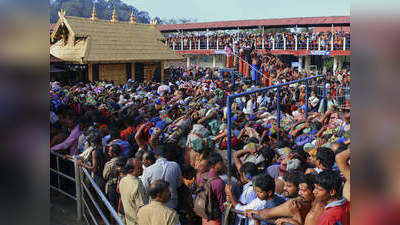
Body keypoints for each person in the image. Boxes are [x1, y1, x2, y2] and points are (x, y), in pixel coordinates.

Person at [141, 145, 183, 210]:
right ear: (167, 154)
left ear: (155, 156)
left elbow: (145, 188)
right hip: (172, 204)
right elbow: (179, 184)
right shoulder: (175, 166)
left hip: (155, 205)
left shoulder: (148, 170)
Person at [198, 153, 226, 225]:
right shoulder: (219, 182)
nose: (222, 165)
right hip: (214, 218)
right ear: (213, 165)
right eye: (220, 163)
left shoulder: (202, 177)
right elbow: (221, 204)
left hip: (204, 215)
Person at [119, 158, 149, 225]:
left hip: (129, 220)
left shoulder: (123, 180)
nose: (142, 169)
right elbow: (142, 208)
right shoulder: (137, 185)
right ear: (131, 170)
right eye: (139, 168)